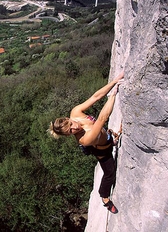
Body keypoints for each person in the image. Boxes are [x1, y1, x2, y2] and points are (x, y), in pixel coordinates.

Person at [49, 72, 124, 214]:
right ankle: (104, 197)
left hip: (105, 137)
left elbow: (96, 96)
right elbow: (102, 118)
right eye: (70, 131)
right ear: (67, 135)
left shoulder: (76, 112)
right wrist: (113, 95)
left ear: (68, 118)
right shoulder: (84, 139)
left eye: (71, 124)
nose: (75, 128)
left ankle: (112, 139)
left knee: (108, 137)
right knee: (110, 173)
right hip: (103, 151)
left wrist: (115, 80)